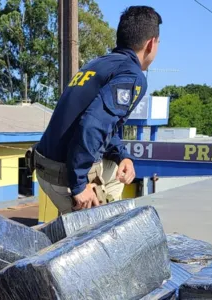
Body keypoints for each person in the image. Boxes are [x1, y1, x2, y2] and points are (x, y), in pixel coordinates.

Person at [27, 6, 162, 214]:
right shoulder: (133, 75)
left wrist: (122, 156)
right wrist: (80, 185)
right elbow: (92, 125)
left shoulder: (99, 64)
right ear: (151, 43)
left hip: (45, 166)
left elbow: (107, 125)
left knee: (117, 173)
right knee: (101, 237)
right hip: (64, 176)